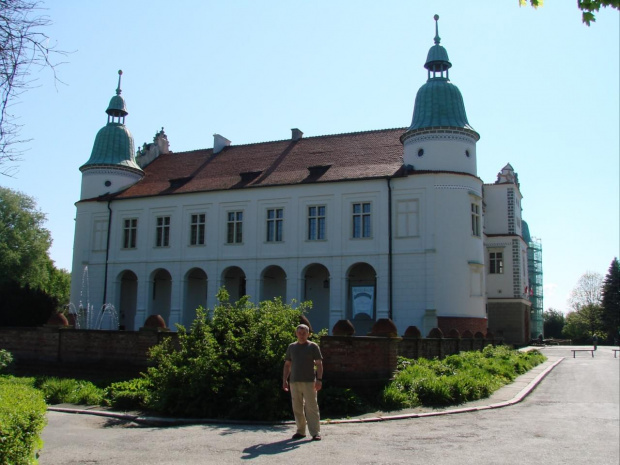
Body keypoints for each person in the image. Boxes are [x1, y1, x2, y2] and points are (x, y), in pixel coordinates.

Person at [282, 323, 323, 441]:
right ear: (296, 334)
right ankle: (300, 431)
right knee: (297, 407)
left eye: (304, 333)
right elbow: (287, 365)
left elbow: (319, 364)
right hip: (294, 381)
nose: (301, 335)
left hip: (309, 381)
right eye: (299, 333)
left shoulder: (313, 346)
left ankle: (315, 432)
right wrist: (284, 380)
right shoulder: (291, 347)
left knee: (312, 407)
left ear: (308, 334)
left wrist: (319, 379)